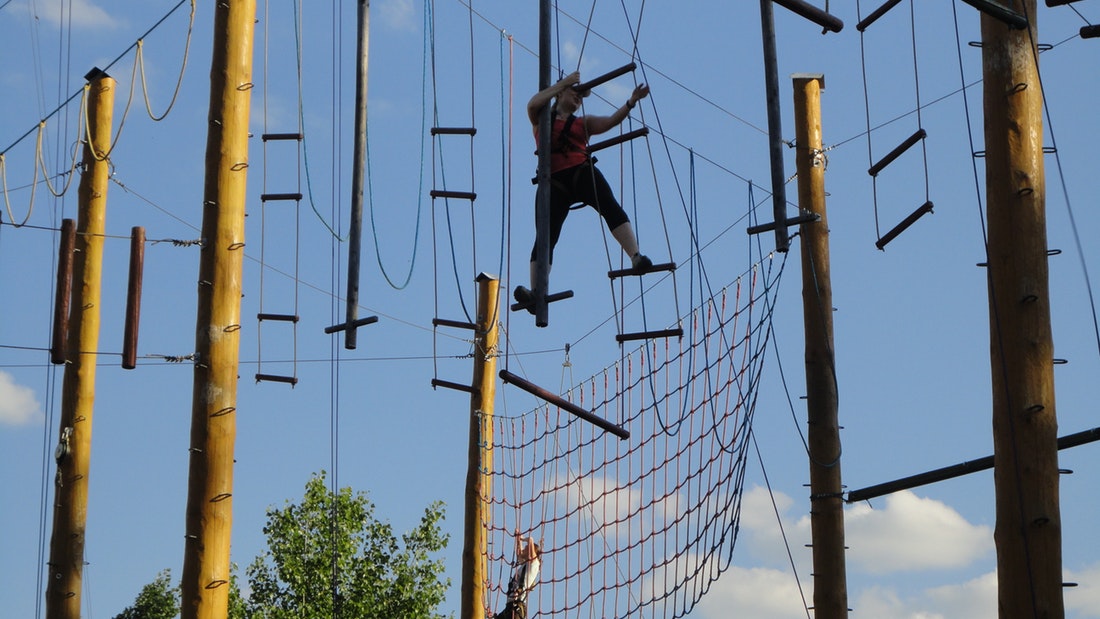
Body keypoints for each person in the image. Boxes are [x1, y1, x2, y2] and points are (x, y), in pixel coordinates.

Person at [515, 70, 652, 311]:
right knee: (546, 235)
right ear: (560, 93)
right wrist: (564, 84)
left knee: (610, 206)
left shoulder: (582, 123)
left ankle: (635, 256)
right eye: (575, 94)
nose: (579, 99)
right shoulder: (541, 119)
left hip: (580, 171)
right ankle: (536, 293)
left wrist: (630, 102)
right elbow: (533, 103)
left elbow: (610, 122)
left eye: (581, 96)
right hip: (553, 181)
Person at [493, 529, 542, 619]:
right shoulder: (525, 565)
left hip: (516, 607)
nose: (524, 549)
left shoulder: (534, 565)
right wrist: (518, 540)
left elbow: (530, 540)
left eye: (526, 548)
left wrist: (523, 539)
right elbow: (519, 553)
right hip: (510, 606)